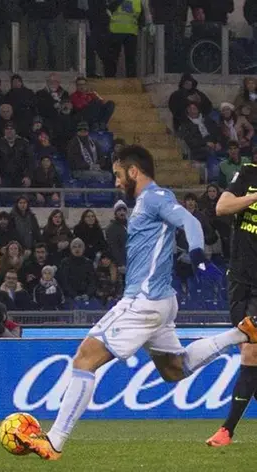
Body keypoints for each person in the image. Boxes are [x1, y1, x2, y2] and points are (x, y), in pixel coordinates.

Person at [15, 145, 249, 461]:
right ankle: (242, 333)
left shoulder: (156, 197)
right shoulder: (143, 204)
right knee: (174, 369)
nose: (115, 182)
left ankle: (54, 442)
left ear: (133, 171)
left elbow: (190, 222)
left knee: (84, 358)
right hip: (161, 300)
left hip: (144, 299)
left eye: (117, 174)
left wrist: (197, 256)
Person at [206, 161, 257, 445]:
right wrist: (253, 197)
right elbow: (222, 207)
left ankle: (227, 429)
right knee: (251, 356)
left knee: (250, 353)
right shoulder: (248, 172)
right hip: (238, 280)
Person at [103, 0, 148, 78]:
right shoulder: (137, 2)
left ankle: (109, 77)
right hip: (130, 33)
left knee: (113, 58)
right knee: (130, 59)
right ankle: (131, 79)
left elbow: (106, 11)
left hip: (116, 31)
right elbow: (142, 20)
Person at [0, 122, 34, 188]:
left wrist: (28, 176)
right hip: (3, 178)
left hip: (21, 178)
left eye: (11, 129)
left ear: (15, 131)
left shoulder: (24, 143)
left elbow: (30, 161)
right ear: (4, 131)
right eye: (7, 129)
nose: (9, 131)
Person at [22, 0, 58, 70]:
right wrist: (28, 10)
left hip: (49, 17)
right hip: (33, 18)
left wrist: (54, 12)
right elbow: (23, 3)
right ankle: (32, 67)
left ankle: (52, 67)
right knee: (32, 44)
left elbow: (59, 3)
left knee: (52, 43)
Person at [106, 200, 129, 272]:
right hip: (121, 264)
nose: (122, 212)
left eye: (124, 210)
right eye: (119, 210)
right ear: (115, 213)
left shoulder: (131, 225)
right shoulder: (111, 228)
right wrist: (120, 263)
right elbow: (114, 248)